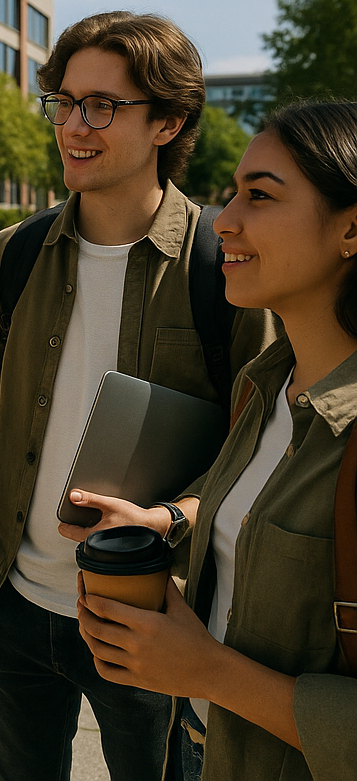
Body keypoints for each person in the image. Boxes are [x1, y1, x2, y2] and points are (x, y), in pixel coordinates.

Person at [0, 11, 278, 781]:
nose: (73, 125)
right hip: (13, 607)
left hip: (154, 616)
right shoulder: (15, 254)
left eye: (102, 105)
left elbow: (263, 447)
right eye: (64, 102)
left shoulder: (223, 264)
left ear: (168, 121)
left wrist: (172, 520)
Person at [74, 100, 357, 781]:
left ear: (351, 229)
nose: (224, 218)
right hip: (201, 749)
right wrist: (166, 523)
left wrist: (208, 670)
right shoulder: (263, 386)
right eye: (233, 192)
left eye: (259, 196)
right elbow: (255, 525)